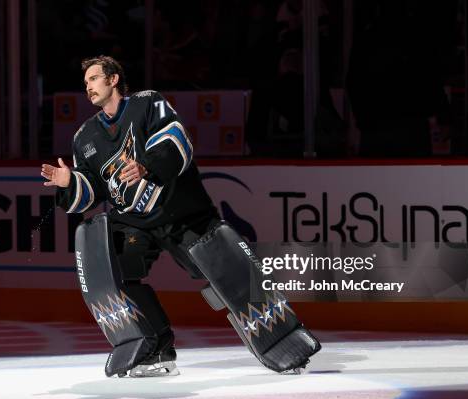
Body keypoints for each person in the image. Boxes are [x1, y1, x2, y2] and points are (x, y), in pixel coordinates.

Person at [42, 56, 320, 378]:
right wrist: (70, 183)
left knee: (229, 269)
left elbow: (177, 142)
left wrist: (147, 165)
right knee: (113, 265)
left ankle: (283, 338)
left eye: (94, 78)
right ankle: (155, 349)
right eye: (85, 81)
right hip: (136, 222)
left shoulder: (148, 104)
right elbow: (93, 190)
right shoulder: (84, 137)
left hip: (182, 211)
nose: (87, 86)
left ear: (114, 79)